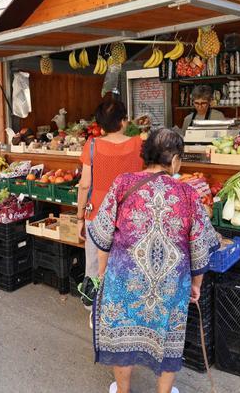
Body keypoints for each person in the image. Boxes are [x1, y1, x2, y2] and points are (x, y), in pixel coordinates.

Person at [89, 128, 220, 393]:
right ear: (174, 161)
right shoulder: (188, 194)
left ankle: (123, 390)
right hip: (170, 283)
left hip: (124, 279)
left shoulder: (122, 183)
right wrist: (196, 283)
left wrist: (103, 273)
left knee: (121, 335)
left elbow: (102, 236)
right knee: (169, 337)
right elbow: (200, 245)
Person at [76, 99, 144, 326]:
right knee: (127, 264)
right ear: (124, 121)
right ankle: (125, 311)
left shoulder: (92, 145)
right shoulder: (138, 144)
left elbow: (85, 185)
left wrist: (79, 218)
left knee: (95, 264)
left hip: (97, 215)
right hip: (129, 216)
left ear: (100, 125)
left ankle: (95, 309)